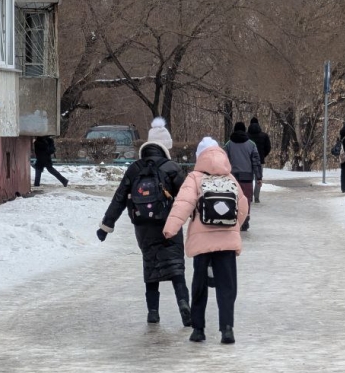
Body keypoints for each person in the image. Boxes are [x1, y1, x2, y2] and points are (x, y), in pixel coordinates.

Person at [96, 117, 191, 326]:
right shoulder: (171, 167)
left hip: (143, 226)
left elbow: (119, 198)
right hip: (169, 224)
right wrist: (197, 216)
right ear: (165, 146)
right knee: (176, 267)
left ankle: (153, 312)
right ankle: (184, 304)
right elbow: (186, 196)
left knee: (151, 267)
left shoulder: (134, 169)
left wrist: (106, 226)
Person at [163, 137, 249, 344]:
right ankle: (227, 329)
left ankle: (198, 329)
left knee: (199, 285)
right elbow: (243, 206)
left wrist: (170, 229)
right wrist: (233, 227)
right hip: (227, 242)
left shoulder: (194, 177)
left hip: (201, 243)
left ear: (199, 157)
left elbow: (183, 204)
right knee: (227, 286)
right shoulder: (230, 178)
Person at [223, 121, 260, 230]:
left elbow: (224, 160)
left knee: (233, 198)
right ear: (245, 130)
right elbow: (256, 162)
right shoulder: (251, 144)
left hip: (232, 176)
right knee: (246, 198)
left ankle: (234, 217)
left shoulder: (228, 144)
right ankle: (245, 219)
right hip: (247, 177)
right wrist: (259, 177)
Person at [247, 117, 271, 203]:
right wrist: (263, 155)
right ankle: (256, 196)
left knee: (249, 178)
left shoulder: (246, 136)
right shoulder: (264, 136)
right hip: (260, 160)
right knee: (258, 178)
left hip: (248, 161)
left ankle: (249, 196)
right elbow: (268, 148)